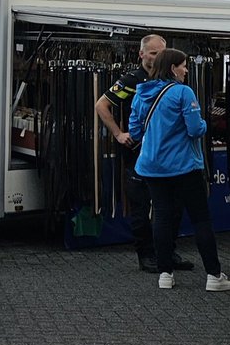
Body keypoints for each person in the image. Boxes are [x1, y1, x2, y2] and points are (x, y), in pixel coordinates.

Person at [129, 48, 230, 293]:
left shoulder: (142, 93)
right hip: (184, 166)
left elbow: (134, 131)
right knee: (200, 219)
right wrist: (205, 122)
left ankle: (165, 273)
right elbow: (195, 129)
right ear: (173, 68)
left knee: (161, 217)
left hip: (152, 167)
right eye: (183, 66)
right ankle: (214, 275)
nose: (186, 70)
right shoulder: (183, 92)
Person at [96, 33, 193, 273]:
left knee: (173, 205)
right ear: (141, 54)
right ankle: (146, 255)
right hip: (138, 154)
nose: (157, 56)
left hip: (169, 155)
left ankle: (168, 252)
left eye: (161, 52)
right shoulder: (132, 81)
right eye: (152, 52)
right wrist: (119, 134)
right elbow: (101, 105)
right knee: (141, 206)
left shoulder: (174, 80)